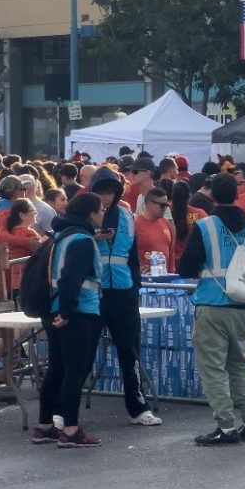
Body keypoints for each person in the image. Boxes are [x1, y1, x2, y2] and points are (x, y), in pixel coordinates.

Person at [177, 173, 245, 445]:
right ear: (236, 194)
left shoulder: (205, 226)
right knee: (240, 365)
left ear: (212, 195)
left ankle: (226, 426)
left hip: (212, 304)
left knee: (214, 368)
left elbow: (186, 266)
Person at [32, 192, 106, 448]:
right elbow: (72, 278)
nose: (103, 214)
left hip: (55, 309)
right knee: (75, 370)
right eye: (100, 210)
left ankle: (44, 426)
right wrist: (67, 311)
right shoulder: (82, 240)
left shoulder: (61, 236)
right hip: (77, 312)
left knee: (57, 368)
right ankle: (71, 430)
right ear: (91, 213)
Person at [88, 167, 160, 427]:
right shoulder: (82, 217)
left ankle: (138, 408)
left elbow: (133, 255)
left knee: (130, 353)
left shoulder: (127, 215)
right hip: (93, 294)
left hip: (123, 292)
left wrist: (134, 286)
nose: (105, 198)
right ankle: (64, 411)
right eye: (101, 192)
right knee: (82, 354)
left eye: (110, 192)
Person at [134, 187, 174, 271]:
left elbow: (171, 251)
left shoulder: (166, 223)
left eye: (167, 205)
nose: (165, 209)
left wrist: (172, 271)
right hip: (144, 276)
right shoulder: (135, 224)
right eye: (162, 205)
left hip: (165, 276)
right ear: (149, 204)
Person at [171, 181, 208, 263]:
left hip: (171, 262)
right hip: (194, 261)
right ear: (189, 195)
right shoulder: (200, 214)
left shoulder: (165, 214)